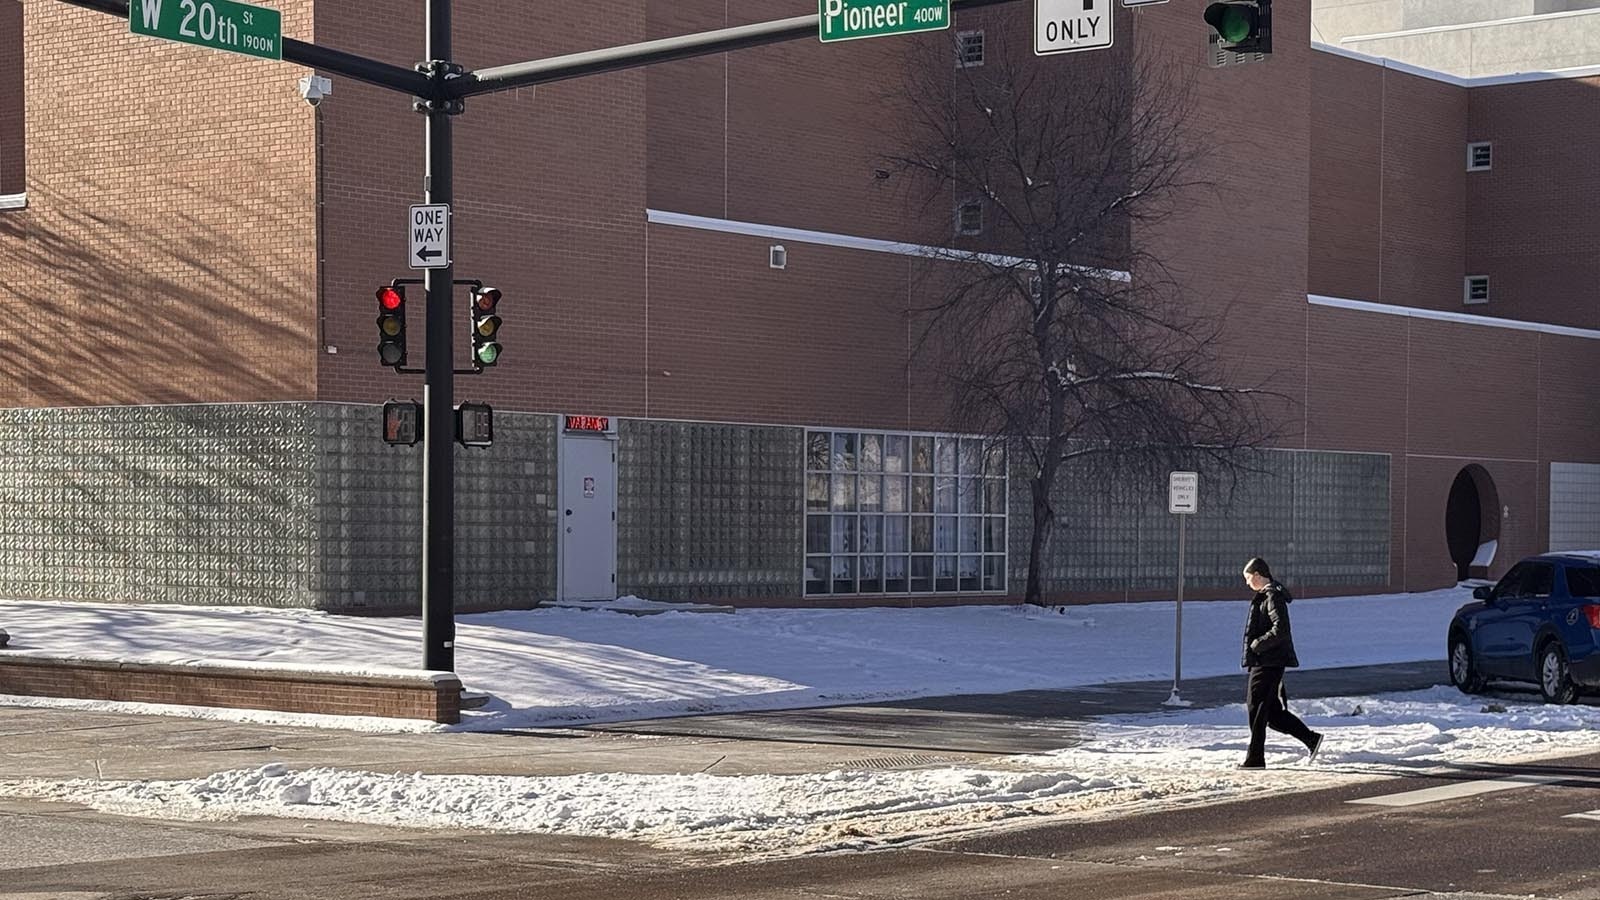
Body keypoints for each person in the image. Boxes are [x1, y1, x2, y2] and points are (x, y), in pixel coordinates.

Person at [1239, 557, 1323, 769]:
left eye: (1248, 578)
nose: (1247, 583)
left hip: (1269, 661)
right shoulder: (1266, 595)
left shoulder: (1273, 596)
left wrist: (1258, 644)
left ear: (1258, 575)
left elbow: (1281, 629)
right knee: (1272, 714)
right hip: (1264, 660)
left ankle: (1255, 758)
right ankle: (1311, 739)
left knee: (1256, 708)